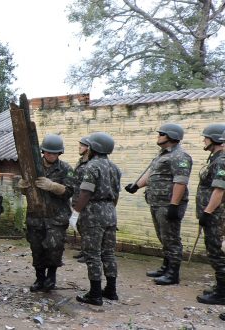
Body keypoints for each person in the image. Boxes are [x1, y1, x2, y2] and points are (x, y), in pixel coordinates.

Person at [124, 123, 192, 285]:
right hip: (156, 202)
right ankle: (165, 267)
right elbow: (152, 174)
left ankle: (173, 274)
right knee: (163, 237)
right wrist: (137, 186)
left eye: (162, 134)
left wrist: (174, 205)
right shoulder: (163, 154)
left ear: (171, 137)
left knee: (171, 239)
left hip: (168, 204)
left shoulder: (180, 156)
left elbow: (180, 182)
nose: (158, 136)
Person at [18, 134, 75, 292]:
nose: (51, 155)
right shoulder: (33, 167)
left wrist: (53, 186)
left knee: (54, 248)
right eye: (48, 152)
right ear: (43, 152)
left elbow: (70, 191)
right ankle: (39, 278)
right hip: (36, 216)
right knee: (37, 249)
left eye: (54, 153)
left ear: (59, 153)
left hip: (57, 217)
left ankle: (51, 277)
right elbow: (24, 190)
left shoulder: (66, 169)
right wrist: (22, 186)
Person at [72, 132, 122, 306]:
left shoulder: (92, 167)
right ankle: (111, 290)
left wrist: (76, 212)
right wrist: (109, 211)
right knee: (108, 253)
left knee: (92, 254)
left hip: (93, 213)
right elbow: (116, 194)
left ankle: (94, 294)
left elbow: (86, 191)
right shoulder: (114, 168)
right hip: (110, 212)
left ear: (94, 148)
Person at [194, 124, 225, 306]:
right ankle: (220, 286)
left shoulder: (221, 161)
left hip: (216, 215)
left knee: (217, 253)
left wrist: (207, 212)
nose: (204, 140)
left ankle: (222, 292)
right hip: (213, 214)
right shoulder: (215, 159)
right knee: (214, 251)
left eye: (206, 137)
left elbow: (220, 190)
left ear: (215, 139)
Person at [72, 136, 91, 263]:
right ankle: (84, 250)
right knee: (80, 226)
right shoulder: (80, 162)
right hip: (76, 197)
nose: (79, 147)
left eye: (82, 145)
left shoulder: (91, 164)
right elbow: (72, 175)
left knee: (88, 228)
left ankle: (89, 253)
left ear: (88, 148)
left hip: (86, 200)